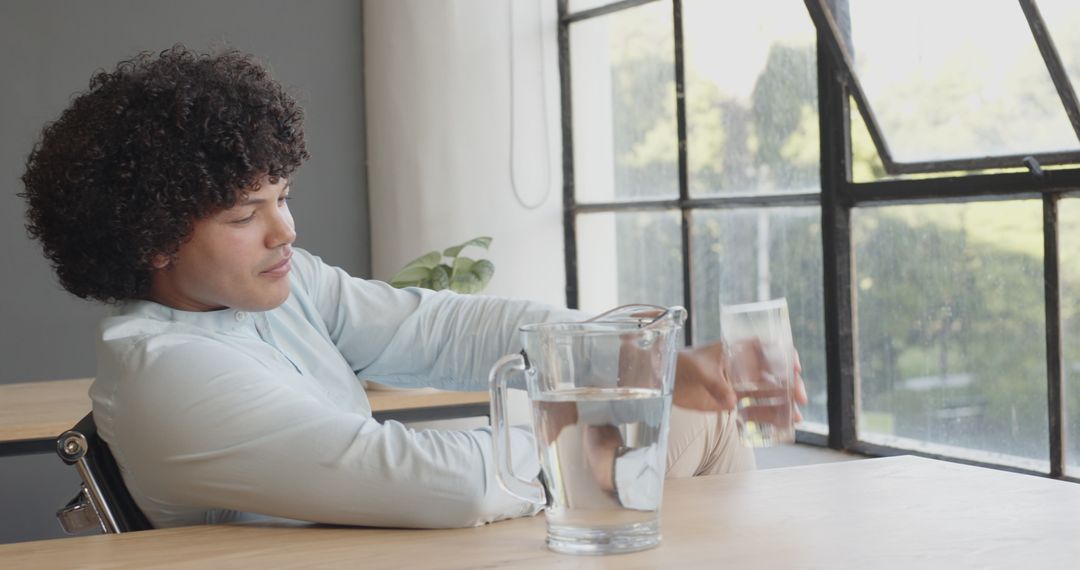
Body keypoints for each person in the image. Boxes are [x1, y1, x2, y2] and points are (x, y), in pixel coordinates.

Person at [20, 46, 807, 529]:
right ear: (152, 235)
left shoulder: (269, 291)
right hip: (404, 539)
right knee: (677, 431)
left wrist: (632, 352)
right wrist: (604, 389)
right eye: (244, 214)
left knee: (697, 420)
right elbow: (443, 484)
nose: (285, 231)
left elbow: (438, 331)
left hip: (409, 539)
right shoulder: (167, 373)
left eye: (283, 197)